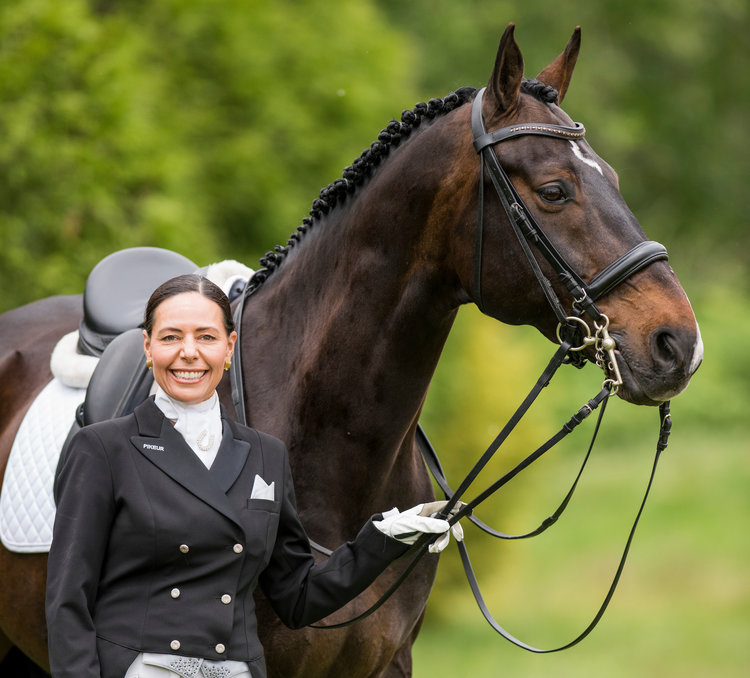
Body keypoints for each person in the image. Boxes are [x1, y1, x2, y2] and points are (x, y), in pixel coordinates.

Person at [46, 274, 461, 678]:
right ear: (148, 347)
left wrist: (383, 541)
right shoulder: (102, 449)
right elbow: (68, 599)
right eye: (171, 337)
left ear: (228, 348)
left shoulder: (266, 455)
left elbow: (298, 597)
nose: (188, 352)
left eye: (206, 337)